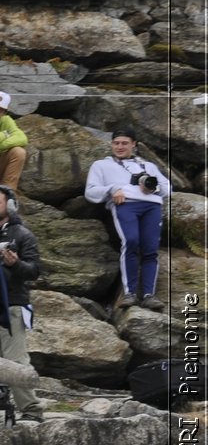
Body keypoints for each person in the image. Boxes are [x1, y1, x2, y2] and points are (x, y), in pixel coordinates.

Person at [83, 127, 172, 310]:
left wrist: (152, 188)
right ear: (111, 144)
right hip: (125, 204)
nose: (120, 147)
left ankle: (149, 295)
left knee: (150, 249)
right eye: (116, 143)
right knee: (131, 241)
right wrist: (112, 189)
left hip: (152, 206)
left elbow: (168, 188)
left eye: (124, 143)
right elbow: (90, 192)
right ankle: (130, 293)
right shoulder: (101, 165)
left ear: (134, 145)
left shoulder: (148, 166)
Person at [0, 185, 43, 419]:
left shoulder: (23, 235)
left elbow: (34, 271)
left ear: (10, 206)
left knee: (15, 362)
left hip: (13, 306)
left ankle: (32, 411)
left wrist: (15, 264)